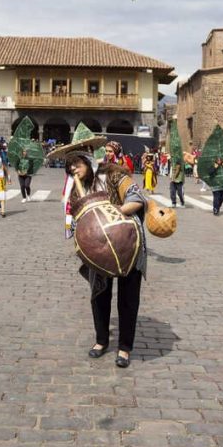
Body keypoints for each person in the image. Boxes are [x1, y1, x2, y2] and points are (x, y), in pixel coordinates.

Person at [63, 146, 147, 369]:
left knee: (128, 298)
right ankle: (101, 341)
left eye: (76, 163)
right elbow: (77, 216)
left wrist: (113, 215)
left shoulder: (114, 175)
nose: (73, 168)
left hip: (128, 242)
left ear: (88, 160)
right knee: (99, 293)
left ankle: (125, 348)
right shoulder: (78, 187)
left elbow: (137, 198)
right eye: (69, 165)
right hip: (98, 247)